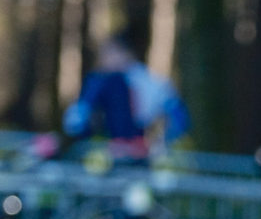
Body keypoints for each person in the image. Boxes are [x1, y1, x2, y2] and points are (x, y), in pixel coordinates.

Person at [61, 32, 191, 152]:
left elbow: (178, 118)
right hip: (112, 147)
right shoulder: (100, 82)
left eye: (109, 53)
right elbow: (77, 120)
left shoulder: (152, 83)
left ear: (126, 53)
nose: (104, 59)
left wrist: (163, 142)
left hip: (137, 147)